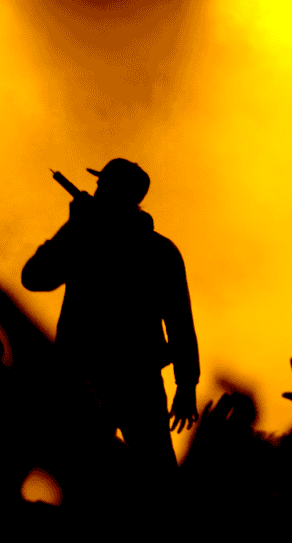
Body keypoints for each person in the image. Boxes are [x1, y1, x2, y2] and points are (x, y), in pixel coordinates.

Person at [22, 158, 200, 474]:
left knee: (90, 475)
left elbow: (35, 276)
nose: (96, 192)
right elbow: (180, 322)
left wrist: (74, 228)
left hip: (92, 378)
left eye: (102, 186)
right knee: (154, 475)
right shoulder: (159, 250)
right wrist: (186, 385)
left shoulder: (88, 240)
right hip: (132, 379)